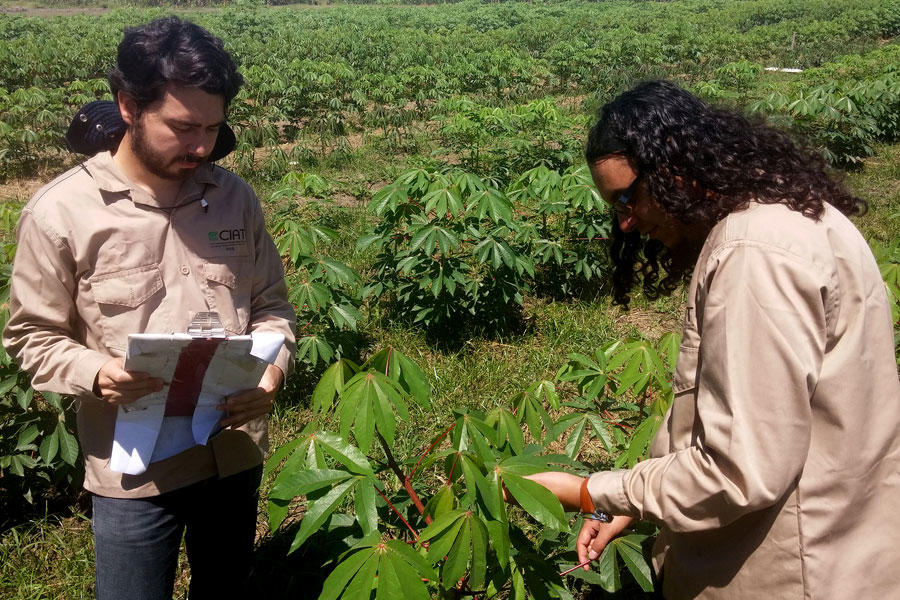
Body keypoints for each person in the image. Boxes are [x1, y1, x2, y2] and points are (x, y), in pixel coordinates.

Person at [524, 81, 900, 598]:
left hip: (790, 570)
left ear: (674, 167)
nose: (626, 222)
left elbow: (739, 468)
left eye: (627, 197)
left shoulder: (754, 256)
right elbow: (730, 415)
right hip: (844, 542)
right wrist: (630, 502)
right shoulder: (793, 212)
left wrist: (590, 492)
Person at [2, 17, 296, 600]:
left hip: (232, 452)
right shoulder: (61, 213)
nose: (200, 147)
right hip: (133, 471)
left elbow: (271, 306)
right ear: (129, 106)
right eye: (183, 127)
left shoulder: (233, 196)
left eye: (213, 129)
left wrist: (273, 370)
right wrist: (96, 372)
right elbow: (32, 334)